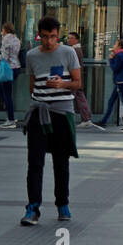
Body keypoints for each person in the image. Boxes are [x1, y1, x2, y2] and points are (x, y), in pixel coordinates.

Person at [20, 15, 81, 225]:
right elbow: (32, 84)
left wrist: (62, 85)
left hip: (62, 114)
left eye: (53, 37)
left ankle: (62, 205)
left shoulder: (68, 52)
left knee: (61, 162)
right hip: (39, 113)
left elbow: (78, 83)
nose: (49, 42)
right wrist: (39, 97)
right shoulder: (31, 55)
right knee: (35, 163)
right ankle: (32, 208)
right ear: (39, 36)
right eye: (45, 37)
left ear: (58, 35)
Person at [0, 21, 22, 128]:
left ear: (6, 29)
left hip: (8, 69)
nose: (1, 32)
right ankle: (10, 115)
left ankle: (11, 120)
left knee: (6, 95)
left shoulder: (6, 39)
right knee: (3, 92)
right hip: (16, 68)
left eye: (2, 29)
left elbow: (4, 58)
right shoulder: (16, 39)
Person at [99, 38, 123, 130]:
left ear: (119, 46)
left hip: (120, 81)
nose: (114, 46)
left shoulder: (119, 55)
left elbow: (115, 68)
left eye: (115, 44)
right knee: (111, 101)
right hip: (121, 81)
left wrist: (111, 60)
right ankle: (104, 121)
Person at [65, 31, 96, 127]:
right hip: (76, 78)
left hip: (75, 79)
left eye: (71, 38)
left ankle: (85, 118)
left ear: (76, 40)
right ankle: (86, 118)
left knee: (71, 99)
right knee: (79, 98)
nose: (69, 40)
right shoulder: (75, 49)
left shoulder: (75, 50)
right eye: (68, 38)